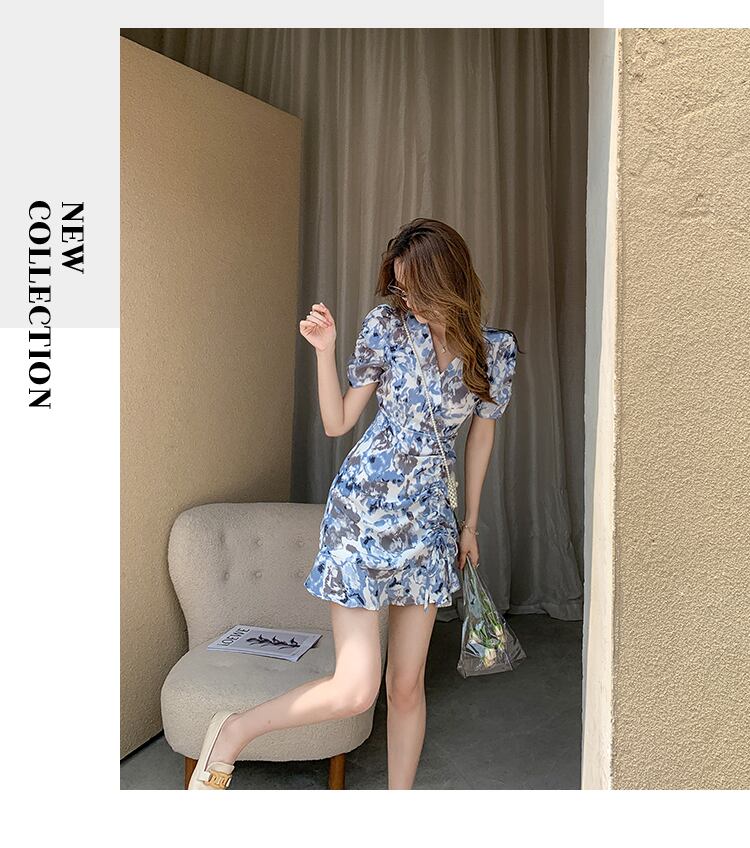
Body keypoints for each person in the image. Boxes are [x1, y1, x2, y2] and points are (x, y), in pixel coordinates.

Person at [188, 218, 518, 790]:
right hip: (361, 517)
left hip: (430, 527)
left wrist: (469, 523)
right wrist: (325, 351)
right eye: (399, 288)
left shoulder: (495, 352)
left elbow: (481, 437)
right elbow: (338, 421)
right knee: (357, 689)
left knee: (407, 686)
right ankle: (234, 732)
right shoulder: (386, 327)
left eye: (416, 289)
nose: (407, 300)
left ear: (449, 281)